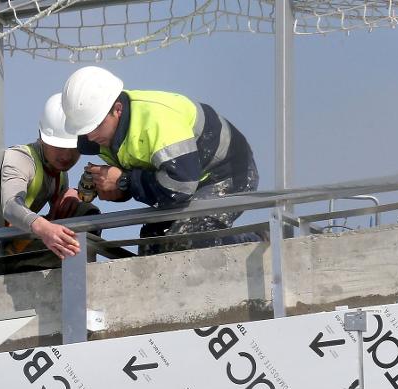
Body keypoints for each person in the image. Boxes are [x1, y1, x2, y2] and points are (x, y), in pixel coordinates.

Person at [61, 66, 260, 254]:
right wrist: (113, 186)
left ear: (118, 109)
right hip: (188, 178)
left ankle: (257, 242)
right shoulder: (101, 135)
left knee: (188, 239)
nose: (90, 136)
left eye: (95, 125)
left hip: (227, 173)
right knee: (152, 243)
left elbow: (180, 187)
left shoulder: (157, 121)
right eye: (84, 129)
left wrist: (124, 181)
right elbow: (144, 179)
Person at [0, 93, 97, 280]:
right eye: (59, 146)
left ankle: (80, 276)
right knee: (67, 247)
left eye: (73, 148)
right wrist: (46, 230)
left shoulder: (59, 173)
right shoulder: (20, 159)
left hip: (7, 240)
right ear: (42, 137)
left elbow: (61, 213)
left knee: (83, 214)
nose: (66, 156)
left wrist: (73, 195)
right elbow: (11, 206)